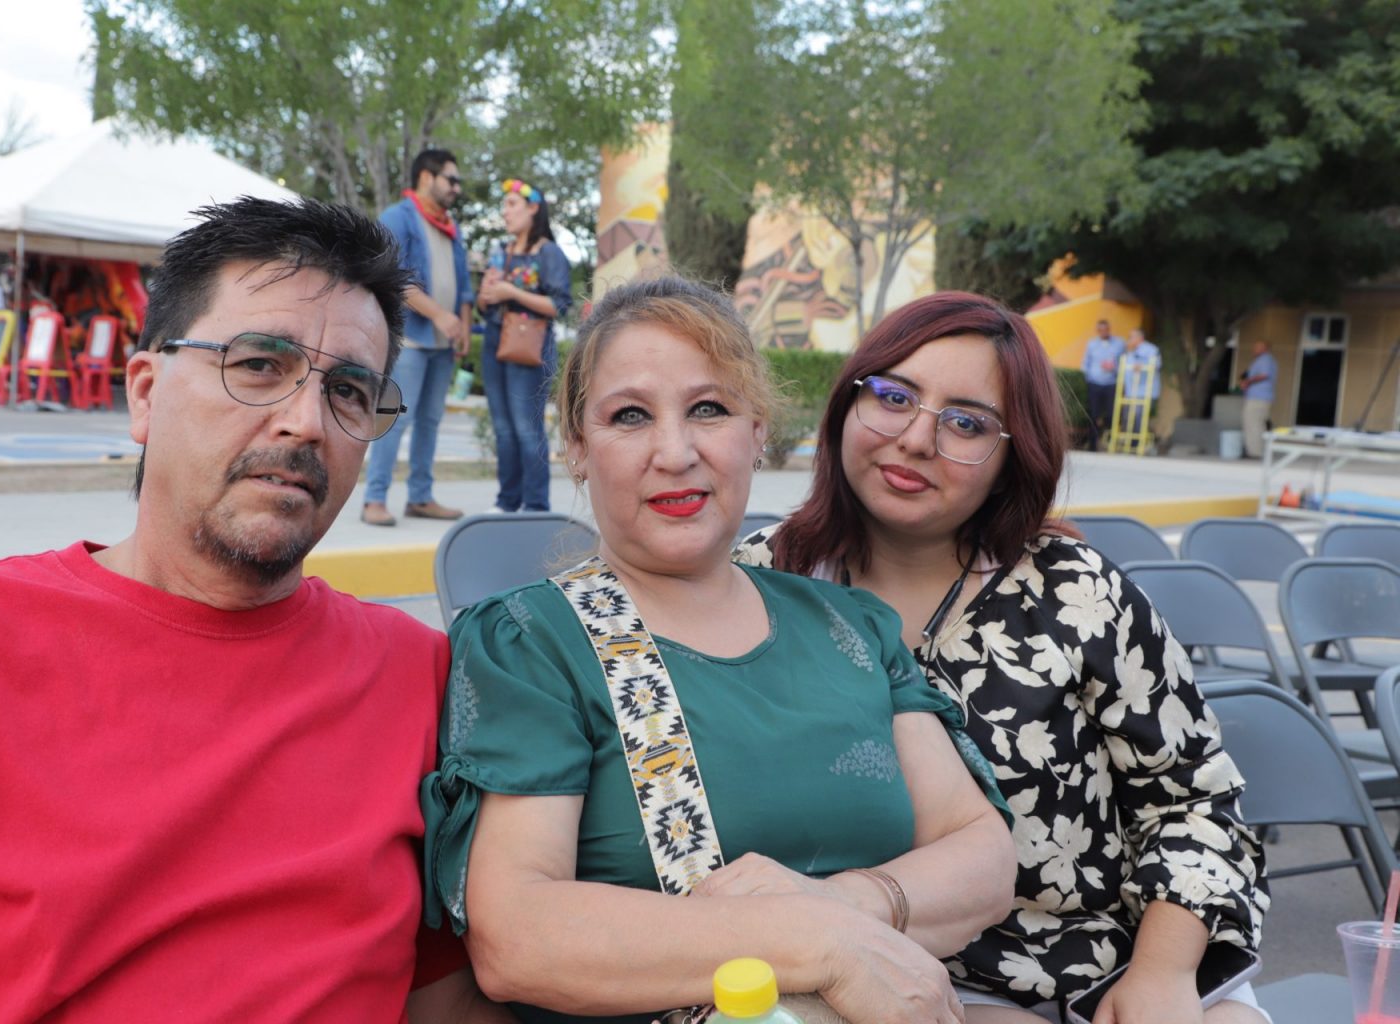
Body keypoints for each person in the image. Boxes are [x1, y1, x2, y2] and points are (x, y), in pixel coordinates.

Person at [0, 196, 507, 1024]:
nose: (307, 422)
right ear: (145, 392)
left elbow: (439, 996)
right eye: (259, 364)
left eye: (350, 391)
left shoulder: (420, 673)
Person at [423, 277, 1017, 1024]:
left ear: (758, 431)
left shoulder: (850, 626)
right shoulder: (533, 642)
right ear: (577, 447)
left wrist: (848, 902)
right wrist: (817, 941)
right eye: (630, 416)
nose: (675, 453)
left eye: (709, 409)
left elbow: (982, 854)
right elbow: (519, 937)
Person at [736, 291, 1269, 1024]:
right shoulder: (759, 584)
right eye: (893, 397)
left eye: (967, 423)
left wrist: (1162, 972)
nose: (916, 439)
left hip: (1118, 965)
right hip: (880, 972)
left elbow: (1194, 803)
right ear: (847, 403)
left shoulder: (1075, 592)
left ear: (1012, 457)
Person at [363, 148, 474, 527]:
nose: (456, 187)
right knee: (394, 419)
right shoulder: (398, 217)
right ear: (426, 177)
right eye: (451, 179)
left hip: (443, 345)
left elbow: (464, 284)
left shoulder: (450, 226)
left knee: (430, 421)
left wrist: (463, 326)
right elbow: (392, 277)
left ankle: (420, 497)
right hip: (410, 341)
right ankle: (374, 498)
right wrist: (440, 315)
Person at [476, 177, 572, 513]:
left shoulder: (548, 252)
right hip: (494, 339)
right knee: (503, 429)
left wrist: (511, 292)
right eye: (504, 205)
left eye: (512, 205)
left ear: (533, 208)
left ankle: (535, 504)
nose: (505, 212)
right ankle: (507, 501)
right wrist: (487, 294)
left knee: (527, 429)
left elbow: (560, 304)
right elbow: (484, 304)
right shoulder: (500, 252)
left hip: (529, 344)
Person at [1080, 318, 1125, 450]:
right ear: (1097, 331)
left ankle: (1110, 442)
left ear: (1109, 329)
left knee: (1112, 414)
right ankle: (1093, 445)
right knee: (1093, 414)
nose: (1103, 332)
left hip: (1111, 383)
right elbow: (1086, 362)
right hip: (1094, 383)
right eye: (1100, 330)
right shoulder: (1092, 344)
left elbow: (1124, 361)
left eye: (1105, 329)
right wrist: (1088, 377)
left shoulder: (1119, 343)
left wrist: (1114, 368)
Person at [1118, 327, 1161, 436]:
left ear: (1140, 338)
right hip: (1130, 392)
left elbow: (1156, 364)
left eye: (1131, 337)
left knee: (1138, 418)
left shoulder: (1151, 349)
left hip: (1144, 392)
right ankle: (1127, 442)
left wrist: (1142, 366)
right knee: (1126, 417)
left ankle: (1136, 443)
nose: (1129, 339)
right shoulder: (1128, 351)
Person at [1238, 340, 1277, 459]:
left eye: (1257, 347)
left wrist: (1247, 381)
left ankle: (1255, 452)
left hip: (1258, 398)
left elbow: (1264, 375)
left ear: (1265, 349)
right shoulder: (1263, 360)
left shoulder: (1265, 359)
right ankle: (1258, 451)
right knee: (1258, 424)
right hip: (1259, 397)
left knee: (1253, 423)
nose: (1253, 349)